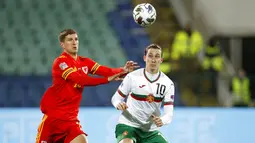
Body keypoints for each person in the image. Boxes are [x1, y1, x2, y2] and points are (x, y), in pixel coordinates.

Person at [35, 29, 138, 143]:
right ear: (62, 45)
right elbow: (80, 80)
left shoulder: (84, 62)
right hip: (54, 120)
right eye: (70, 40)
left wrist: (123, 70)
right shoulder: (60, 62)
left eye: (76, 39)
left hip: (71, 120)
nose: (74, 42)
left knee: (82, 140)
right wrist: (107, 80)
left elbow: (106, 70)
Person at [111, 44, 174, 143]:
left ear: (161, 60)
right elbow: (116, 98)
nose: (153, 60)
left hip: (150, 131)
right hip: (128, 125)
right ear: (145, 58)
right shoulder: (132, 77)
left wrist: (163, 120)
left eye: (157, 56)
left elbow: (169, 114)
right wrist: (118, 104)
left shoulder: (168, 83)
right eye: (150, 56)